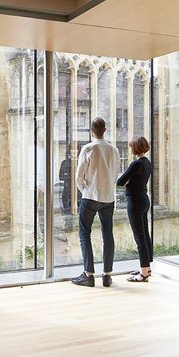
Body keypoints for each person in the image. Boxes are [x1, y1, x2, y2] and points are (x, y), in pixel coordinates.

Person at [71, 117, 121, 288]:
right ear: (104, 130)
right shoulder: (114, 150)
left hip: (91, 196)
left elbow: (78, 176)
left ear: (91, 130)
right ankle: (107, 275)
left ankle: (88, 275)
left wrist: (85, 190)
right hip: (109, 198)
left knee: (85, 234)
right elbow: (115, 174)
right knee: (108, 234)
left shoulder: (88, 148)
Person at [117, 136, 153, 282]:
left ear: (136, 148)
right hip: (144, 200)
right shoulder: (147, 163)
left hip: (135, 202)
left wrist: (128, 182)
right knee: (145, 234)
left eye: (131, 147)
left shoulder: (135, 164)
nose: (130, 149)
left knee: (139, 237)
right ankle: (147, 268)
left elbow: (120, 182)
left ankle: (144, 273)